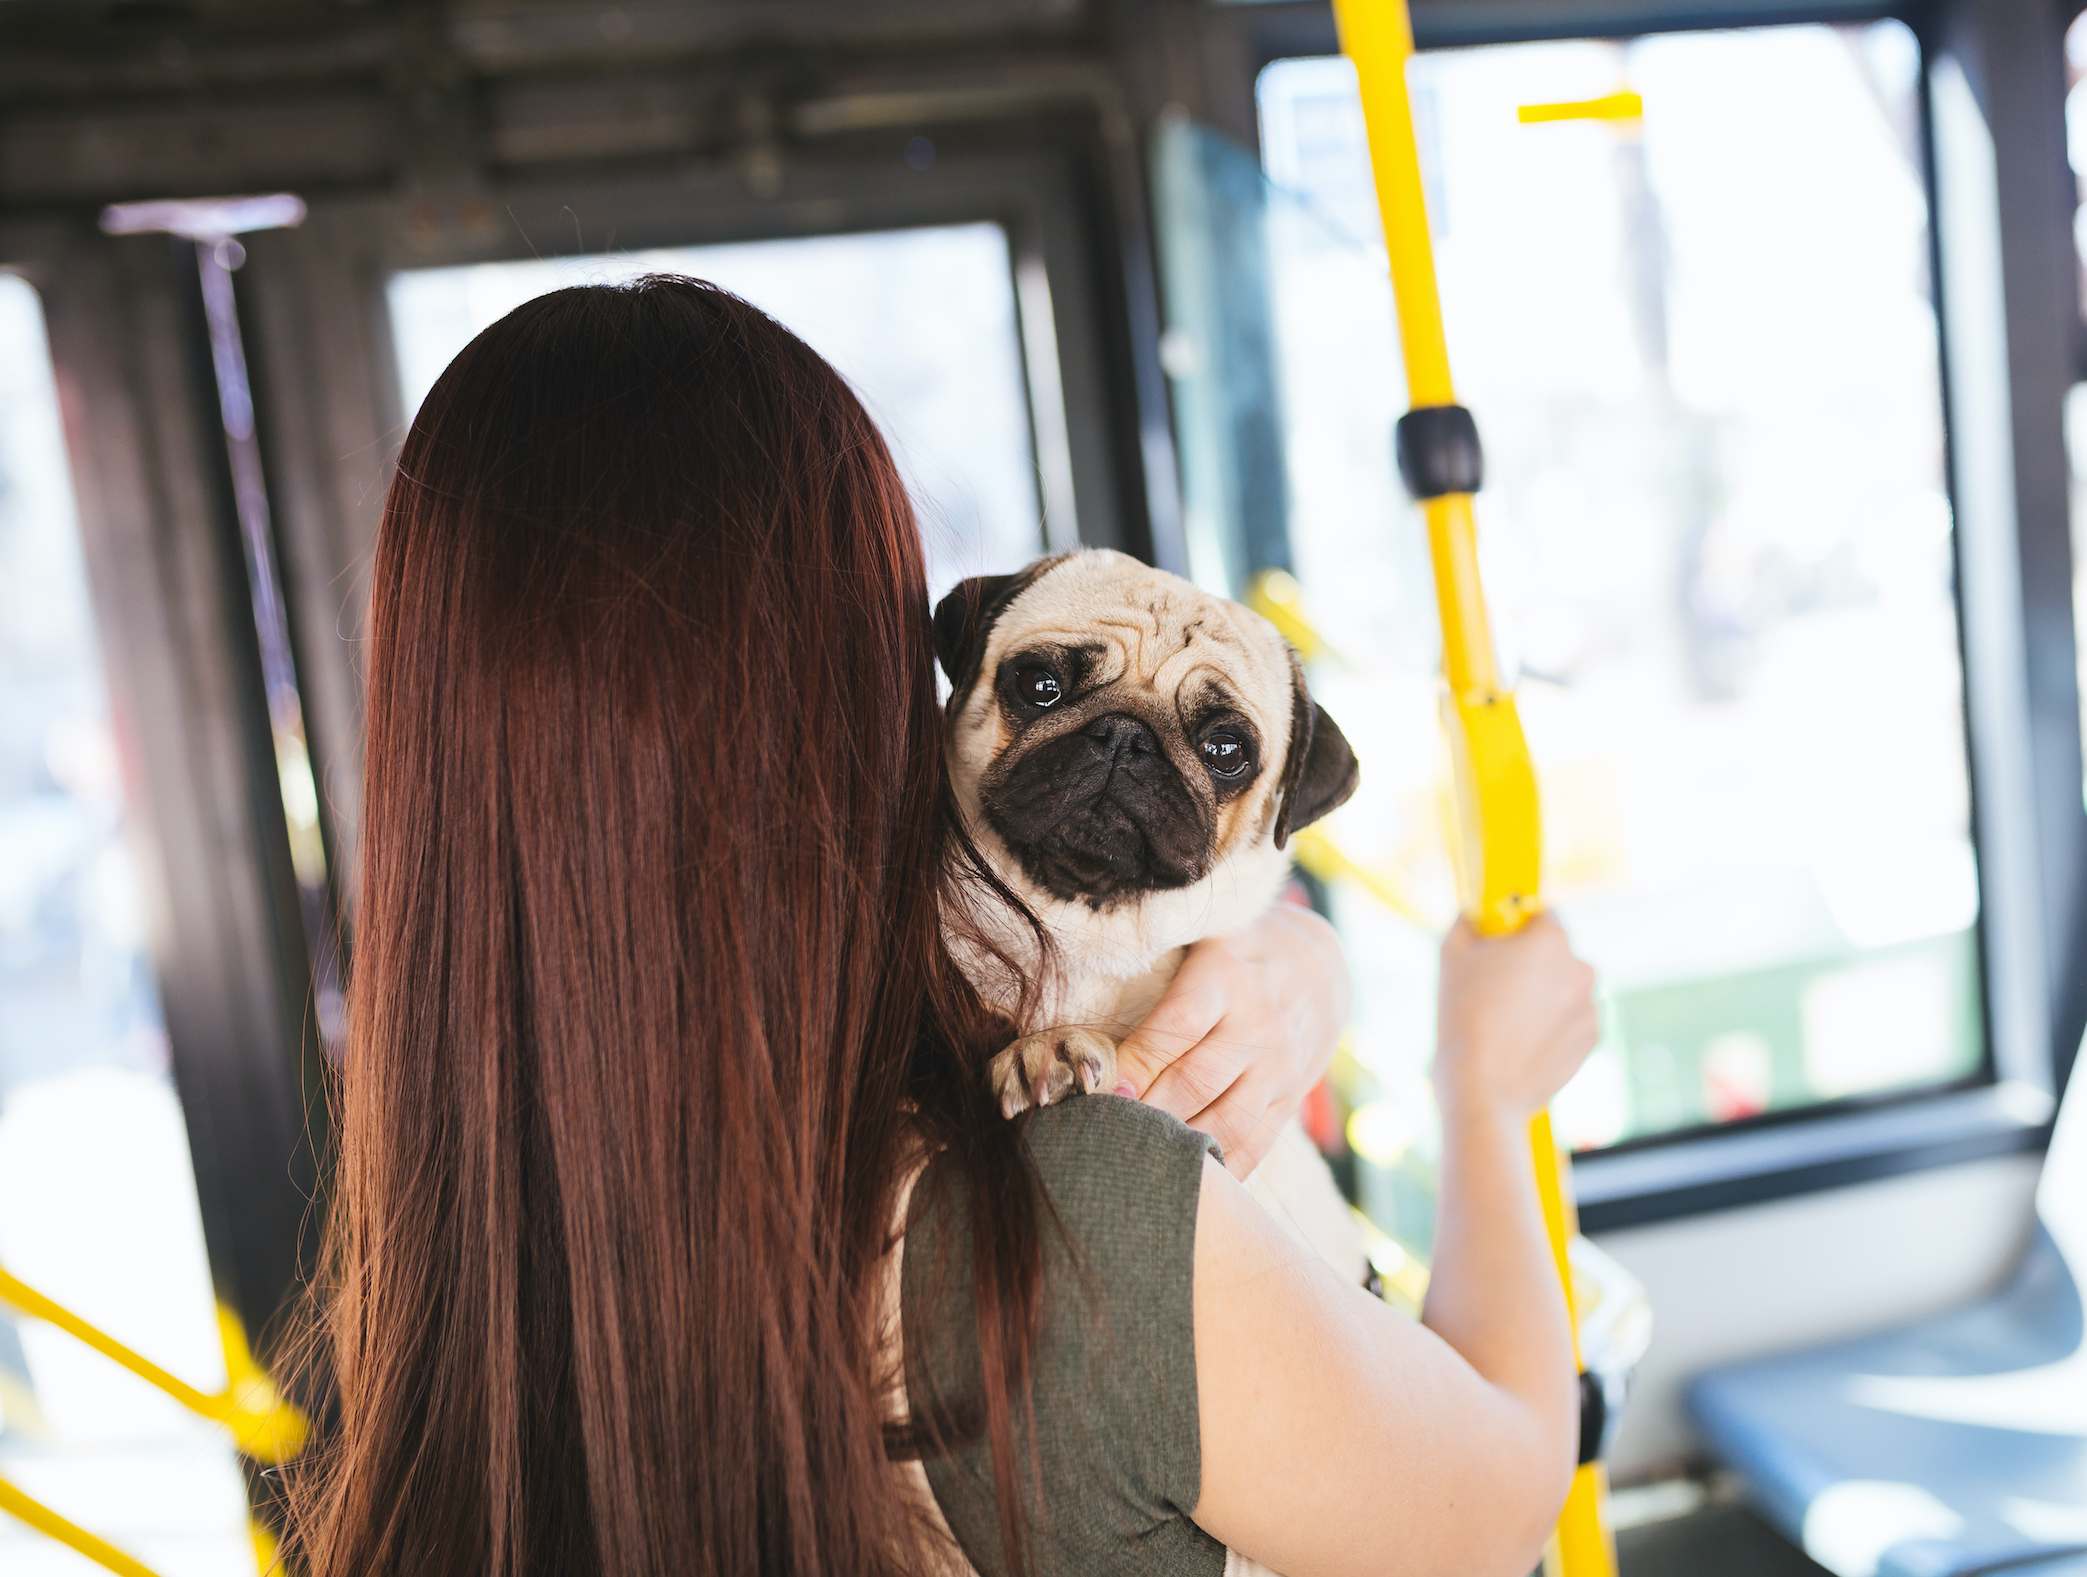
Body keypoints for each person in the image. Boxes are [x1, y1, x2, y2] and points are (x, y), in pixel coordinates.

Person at [291, 275, 1598, 1577]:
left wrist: (1266, 948)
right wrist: (1483, 1095)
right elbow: (1505, 1497)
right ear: (874, 681)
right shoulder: (1069, 1226)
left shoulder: (432, 1293)